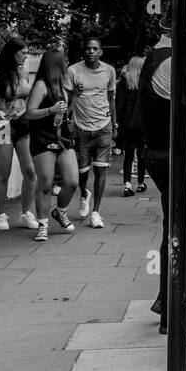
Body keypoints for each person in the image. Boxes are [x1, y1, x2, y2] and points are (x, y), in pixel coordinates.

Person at [140, 0, 186, 332]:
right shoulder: (175, 65)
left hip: (159, 154)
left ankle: (168, 301)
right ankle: (173, 308)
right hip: (172, 157)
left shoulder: (160, 57)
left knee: (178, 228)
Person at [0, 36, 38, 231]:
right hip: (3, 126)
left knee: (30, 171)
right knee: (3, 173)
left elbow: (28, 98)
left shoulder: (24, 72)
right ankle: (1, 214)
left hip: (23, 124)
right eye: (22, 53)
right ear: (12, 53)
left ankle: (26, 213)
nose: (25, 56)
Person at [24, 49, 79, 243]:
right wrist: (51, 109)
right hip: (43, 138)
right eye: (63, 62)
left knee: (72, 180)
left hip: (62, 137)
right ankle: (43, 225)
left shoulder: (61, 86)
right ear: (54, 65)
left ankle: (60, 212)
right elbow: (29, 113)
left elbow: (64, 113)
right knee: (46, 184)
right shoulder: (41, 85)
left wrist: (73, 100)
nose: (66, 65)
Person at [67, 36, 116, 229]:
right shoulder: (73, 71)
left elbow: (111, 98)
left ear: (101, 52)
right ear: (84, 51)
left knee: (101, 169)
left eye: (95, 49)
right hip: (81, 127)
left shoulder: (109, 71)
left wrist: (115, 124)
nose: (91, 51)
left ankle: (96, 212)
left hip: (104, 126)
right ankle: (84, 193)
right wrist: (68, 122)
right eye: (88, 48)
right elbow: (68, 99)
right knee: (82, 171)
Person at [116, 49, 149, 198]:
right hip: (142, 124)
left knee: (128, 155)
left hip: (127, 124)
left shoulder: (123, 82)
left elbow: (119, 105)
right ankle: (141, 183)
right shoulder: (145, 83)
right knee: (142, 154)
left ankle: (127, 184)